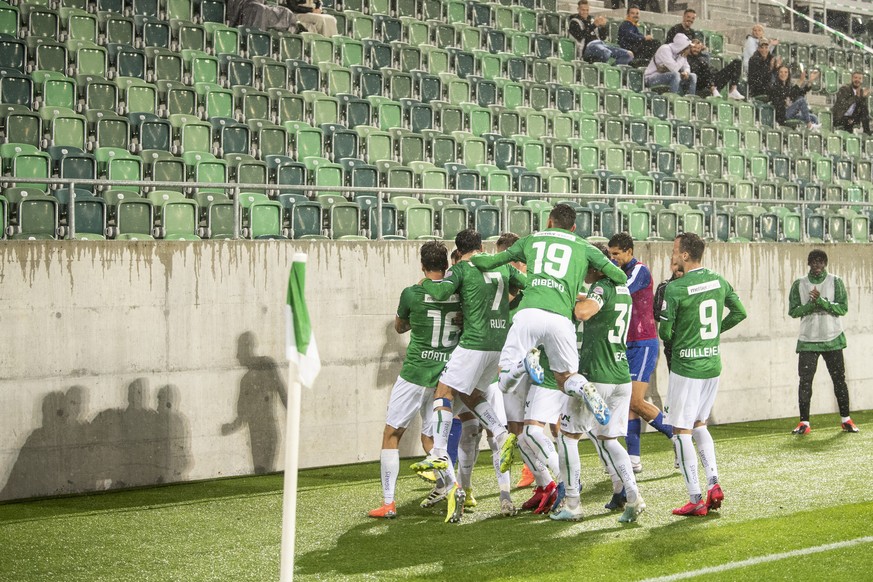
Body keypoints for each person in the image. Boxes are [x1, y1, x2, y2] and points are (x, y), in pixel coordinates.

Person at [470, 204, 628, 423]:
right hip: (561, 319)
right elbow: (619, 276)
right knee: (566, 379)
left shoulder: (530, 240)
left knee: (505, 381)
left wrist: (473, 258)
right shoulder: (585, 246)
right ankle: (583, 387)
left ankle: (524, 364)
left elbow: (489, 262)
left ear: (549, 221)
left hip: (530, 313)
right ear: (573, 227)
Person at [410, 229, 525, 523]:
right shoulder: (501, 265)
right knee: (473, 395)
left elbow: (438, 292)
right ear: (482, 245)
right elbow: (523, 288)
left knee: (443, 393)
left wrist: (425, 282)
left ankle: (437, 451)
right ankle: (500, 433)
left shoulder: (462, 268)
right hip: (499, 346)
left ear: (459, 252)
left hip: (474, 343)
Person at [552, 244, 644, 524]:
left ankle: (572, 502)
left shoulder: (602, 287)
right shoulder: (622, 287)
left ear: (594, 266)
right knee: (609, 439)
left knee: (567, 436)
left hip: (597, 376)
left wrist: (567, 303)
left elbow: (584, 311)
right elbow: (592, 299)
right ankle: (632, 496)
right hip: (620, 375)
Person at [369, 242, 460, 519]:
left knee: (392, 434)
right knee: (431, 439)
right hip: (445, 375)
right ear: (446, 265)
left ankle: (388, 502)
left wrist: (416, 322)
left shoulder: (412, 293)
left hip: (416, 372)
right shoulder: (458, 294)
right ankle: (453, 487)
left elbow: (399, 327)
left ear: (422, 265)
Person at [659, 233, 747, 516]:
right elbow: (739, 312)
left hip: (686, 368)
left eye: (674, 251)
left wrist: (680, 331)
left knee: (681, 431)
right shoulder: (718, 280)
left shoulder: (676, 288)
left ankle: (696, 498)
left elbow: (665, 332)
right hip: (712, 364)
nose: (672, 255)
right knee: (700, 424)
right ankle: (713, 482)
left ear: (685, 255)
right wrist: (712, 333)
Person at [607, 233, 673, 475]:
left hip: (643, 342)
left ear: (629, 252)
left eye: (616, 254)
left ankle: (676, 435)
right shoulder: (617, 271)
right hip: (626, 343)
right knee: (627, 404)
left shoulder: (640, 271)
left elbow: (622, 290)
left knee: (635, 401)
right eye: (610, 254)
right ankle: (633, 459)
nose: (612, 258)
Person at [788, 250, 859, 435]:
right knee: (805, 382)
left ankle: (846, 419)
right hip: (808, 340)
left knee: (839, 381)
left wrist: (822, 302)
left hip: (832, 339)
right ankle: (804, 422)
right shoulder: (800, 284)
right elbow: (793, 311)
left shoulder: (835, 281)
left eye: (820, 262)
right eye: (813, 262)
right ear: (808, 264)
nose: (816, 265)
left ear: (825, 263)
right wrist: (811, 305)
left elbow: (843, 308)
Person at [568, 0, 633, 65]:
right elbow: (580, 36)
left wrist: (603, 27)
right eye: (583, 10)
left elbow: (603, 37)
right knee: (606, 52)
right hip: (587, 48)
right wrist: (594, 25)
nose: (585, 12)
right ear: (578, 9)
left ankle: (612, 68)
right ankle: (599, 66)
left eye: (587, 10)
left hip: (601, 45)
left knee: (629, 55)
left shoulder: (591, 20)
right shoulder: (574, 22)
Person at [769, 65, 820, 130]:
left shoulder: (788, 86)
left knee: (813, 117)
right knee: (801, 100)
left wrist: (810, 81)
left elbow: (800, 93)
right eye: (781, 72)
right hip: (782, 115)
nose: (783, 74)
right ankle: (809, 125)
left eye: (785, 72)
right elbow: (789, 94)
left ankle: (812, 135)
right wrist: (800, 81)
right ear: (778, 74)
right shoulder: (775, 86)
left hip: (791, 113)